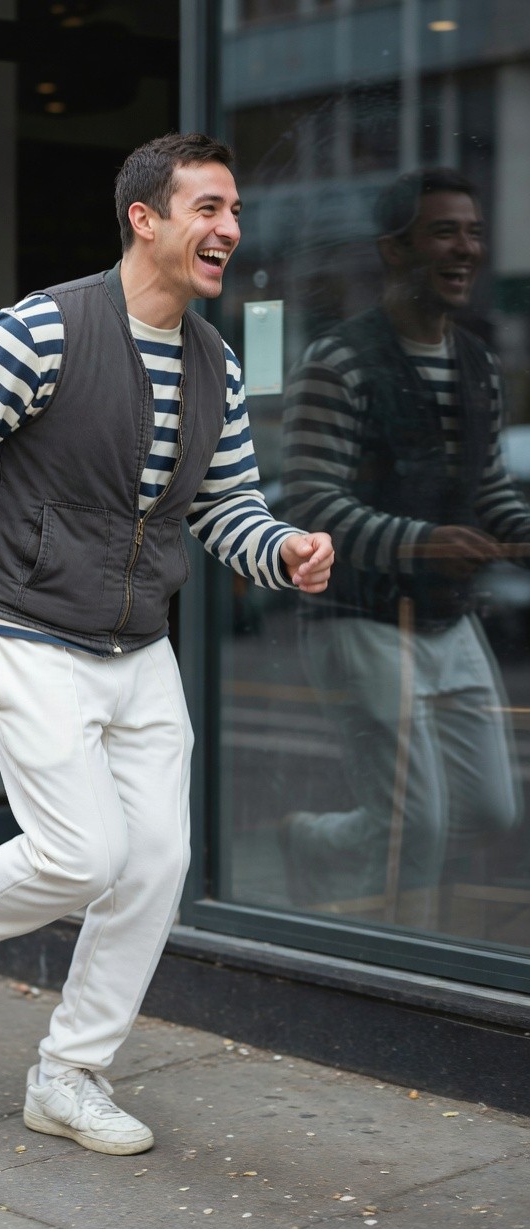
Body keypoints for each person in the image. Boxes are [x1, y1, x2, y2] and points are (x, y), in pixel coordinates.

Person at [0, 133, 334, 1156]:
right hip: (26, 627)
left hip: (136, 645)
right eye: (208, 209)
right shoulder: (39, 334)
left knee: (156, 861)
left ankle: (70, 1073)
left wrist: (281, 548)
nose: (230, 230)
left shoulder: (217, 365)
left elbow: (226, 509)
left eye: (236, 211)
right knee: (82, 851)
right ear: (144, 219)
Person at [281, 167, 528, 924]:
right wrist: (421, 544)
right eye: (444, 231)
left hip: (448, 619)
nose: (466, 248)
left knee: (491, 811)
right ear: (396, 251)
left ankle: (319, 846)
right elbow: (309, 500)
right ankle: (397, 961)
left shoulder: (478, 365)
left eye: (475, 232)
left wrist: (517, 532)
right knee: (413, 827)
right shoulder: (340, 358)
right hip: (360, 617)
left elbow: (489, 488)